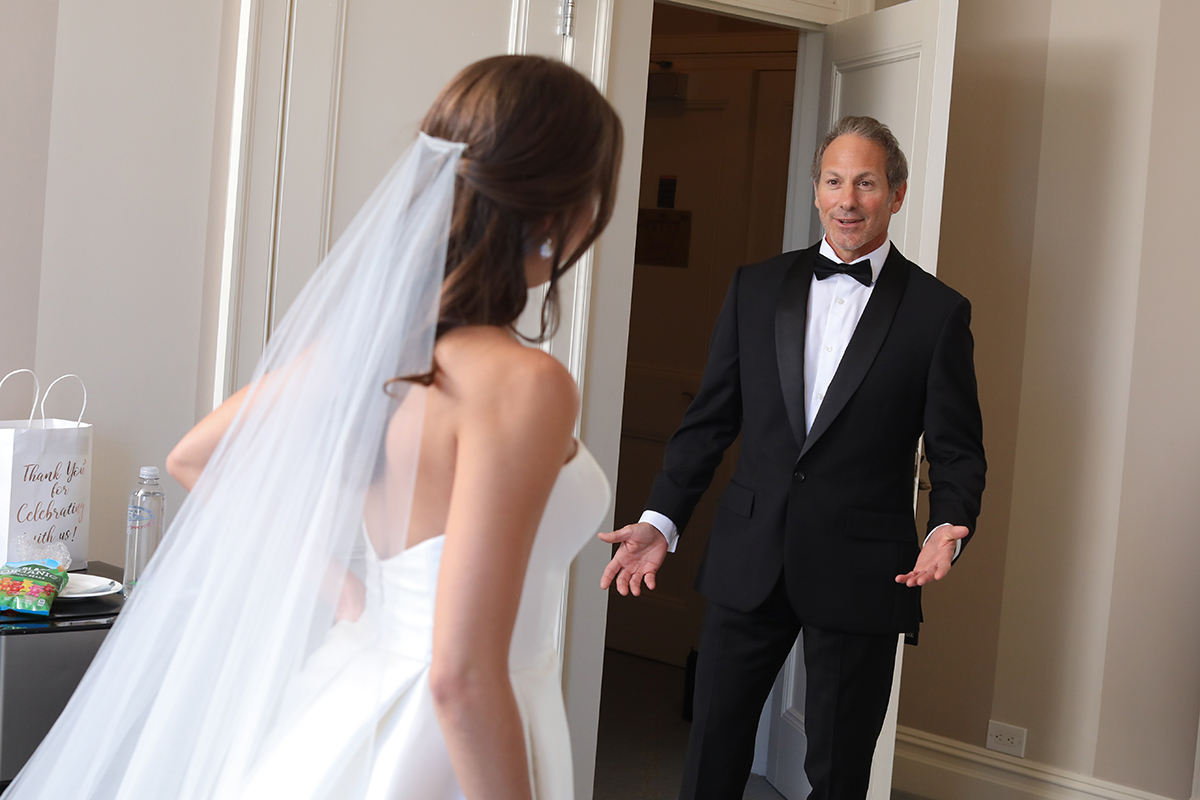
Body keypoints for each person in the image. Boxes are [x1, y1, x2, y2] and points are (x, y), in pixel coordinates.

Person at [6, 55, 621, 800]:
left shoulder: (368, 355)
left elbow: (194, 456)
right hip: (452, 738)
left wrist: (346, 593)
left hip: (366, 694)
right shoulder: (527, 383)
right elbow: (460, 677)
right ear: (560, 209)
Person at [599, 116, 986, 800]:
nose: (847, 200)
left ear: (896, 194)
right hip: (749, 554)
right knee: (713, 752)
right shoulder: (755, 287)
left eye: (866, 183)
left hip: (865, 568)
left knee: (839, 771)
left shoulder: (937, 312)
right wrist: (660, 520)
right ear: (815, 192)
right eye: (834, 181)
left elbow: (956, 449)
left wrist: (947, 527)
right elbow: (709, 422)